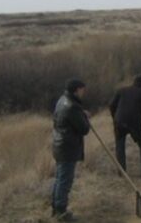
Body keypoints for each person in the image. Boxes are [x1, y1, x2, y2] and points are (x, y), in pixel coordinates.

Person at [51, 79, 91, 221]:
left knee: (59, 178)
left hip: (58, 144)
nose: (83, 92)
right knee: (65, 180)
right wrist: (86, 118)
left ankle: (55, 208)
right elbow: (84, 129)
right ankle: (61, 211)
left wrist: (81, 114)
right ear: (77, 90)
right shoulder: (72, 106)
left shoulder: (62, 100)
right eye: (82, 90)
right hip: (67, 147)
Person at [109, 76, 141, 177]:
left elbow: (111, 105)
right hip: (135, 122)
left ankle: (121, 171)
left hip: (119, 121)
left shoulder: (121, 90)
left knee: (120, 145)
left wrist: (115, 118)